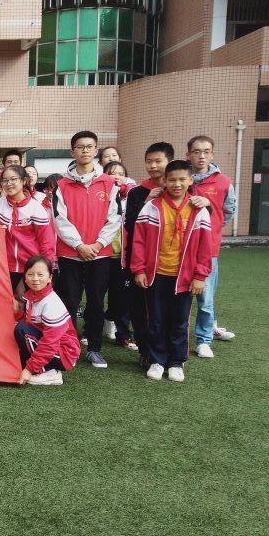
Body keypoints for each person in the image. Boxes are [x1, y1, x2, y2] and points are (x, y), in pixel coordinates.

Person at [131, 160, 213, 382]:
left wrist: (200, 275)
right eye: (172, 180)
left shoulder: (198, 210)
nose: (177, 184)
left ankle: (176, 362)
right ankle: (157, 360)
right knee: (155, 319)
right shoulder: (152, 207)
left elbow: (205, 247)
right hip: (155, 275)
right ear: (165, 181)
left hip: (184, 278)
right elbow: (138, 241)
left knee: (179, 320)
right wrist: (139, 269)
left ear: (190, 180)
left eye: (182, 180)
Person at [52, 130, 120, 369]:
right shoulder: (61, 185)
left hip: (99, 255)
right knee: (68, 303)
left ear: (96, 150)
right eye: (80, 147)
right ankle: (68, 348)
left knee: (95, 303)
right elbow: (59, 219)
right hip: (70, 254)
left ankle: (94, 349)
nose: (85, 150)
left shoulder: (109, 183)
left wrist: (98, 244)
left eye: (89, 146)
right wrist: (79, 245)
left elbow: (115, 218)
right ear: (72, 152)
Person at [122, 142, 173, 368]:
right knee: (140, 309)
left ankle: (168, 353)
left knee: (167, 310)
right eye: (149, 161)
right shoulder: (137, 192)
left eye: (158, 161)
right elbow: (129, 225)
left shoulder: (180, 189)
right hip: (140, 261)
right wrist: (147, 202)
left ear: (169, 162)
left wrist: (206, 201)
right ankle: (145, 351)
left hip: (170, 263)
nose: (153, 166)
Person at [187, 135, 237, 358]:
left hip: (207, 251)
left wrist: (212, 229)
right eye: (196, 151)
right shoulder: (181, 177)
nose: (201, 156)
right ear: (188, 154)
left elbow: (229, 212)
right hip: (179, 250)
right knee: (177, 298)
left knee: (205, 300)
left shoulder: (223, 182)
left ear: (212, 154)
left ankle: (204, 340)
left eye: (206, 151)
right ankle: (175, 336)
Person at [14, 256, 80, 386]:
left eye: (40, 275)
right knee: (19, 327)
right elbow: (30, 323)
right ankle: (40, 367)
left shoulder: (50, 302)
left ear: (50, 277)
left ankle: (49, 372)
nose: (35, 279)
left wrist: (29, 369)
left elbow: (50, 342)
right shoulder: (31, 296)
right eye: (30, 274)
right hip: (53, 347)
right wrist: (17, 312)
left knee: (21, 329)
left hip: (64, 353)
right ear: (25, 278)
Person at [0, 165, 56, 290]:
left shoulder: (36, 208)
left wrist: (46, 270)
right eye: (5, 180)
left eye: (13, 179)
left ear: (24, 181)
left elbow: (46, 243)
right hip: (4, 266)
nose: (9, 183)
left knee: (25, 300)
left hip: (30, 267)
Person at [101, 160, 138, 350]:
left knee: (121, 298)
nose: (116, 176)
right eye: (112, 172)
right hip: (101, 254)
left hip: (123, 258)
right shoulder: (100, 196)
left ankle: (123, 335)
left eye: (120, 173)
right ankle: (91, 331)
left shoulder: (131, 197)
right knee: (97, 295)